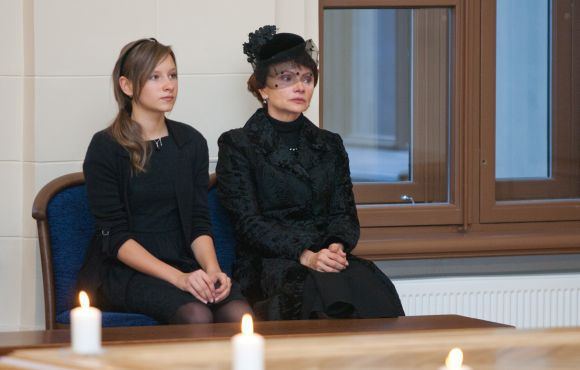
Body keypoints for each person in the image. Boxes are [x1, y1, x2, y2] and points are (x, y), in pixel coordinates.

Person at [216, 26, 405, 320]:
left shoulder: (329, 144)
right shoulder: (238, 144)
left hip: (326, 256)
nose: (300, 87)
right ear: (263, 89)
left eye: (307, 78)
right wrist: (306, 255)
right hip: (269, 262)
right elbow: (248, 224)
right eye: (287, 79)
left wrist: (335, 247)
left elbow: (344, 213)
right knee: (316, 292)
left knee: (368, 285)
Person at [77, 38, 251, 324]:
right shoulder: (106, 147)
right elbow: (115, 238)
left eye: (172, 75)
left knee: (237, 313)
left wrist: (212, 270)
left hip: (184, 261)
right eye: (155, 77)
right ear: (127, 86)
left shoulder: (191, 142)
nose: (169, 85)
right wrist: (179, 279)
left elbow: (198, 221)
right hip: (126, 271)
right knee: (195, 314)